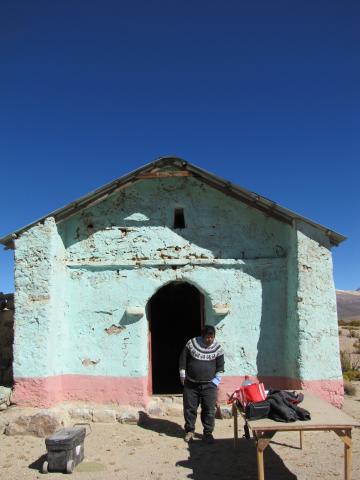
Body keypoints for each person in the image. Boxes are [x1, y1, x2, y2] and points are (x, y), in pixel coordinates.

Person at [179, 325, 224, 444]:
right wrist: (182, 374)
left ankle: (208, 433)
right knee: (190, 409)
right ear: (202, 336)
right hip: (191, 384)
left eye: (211, 337)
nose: (209, 340)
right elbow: (183, 359)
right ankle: (190, 431)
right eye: (207, 337)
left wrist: (215, 382)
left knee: (209, 410)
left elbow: (220, 367)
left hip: (209, 386)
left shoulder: (218, 348)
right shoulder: (191, 343)